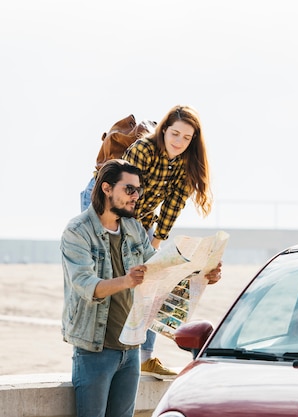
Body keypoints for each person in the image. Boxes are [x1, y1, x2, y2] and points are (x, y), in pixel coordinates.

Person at [62, 159, 222, 417]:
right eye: (129, 189)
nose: (136, 196)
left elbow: (160, 270)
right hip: (94, 350)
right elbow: (85, 286)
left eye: (138, 190)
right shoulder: (77, 231)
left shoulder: (134, 229)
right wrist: (127, 280)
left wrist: (202, 274)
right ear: (106, 188)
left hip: (130, 349)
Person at [80, 104, 214, 378]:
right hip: (104, 202)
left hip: (141, 217)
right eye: (175, 134)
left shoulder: (186, 164)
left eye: (186, 138)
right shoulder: (143, 150)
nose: (179, 142)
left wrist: (154, 246)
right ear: (164, 130)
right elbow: (125, 193)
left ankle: (144, 357)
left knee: (153, 277)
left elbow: (172, 207)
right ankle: (95, 348)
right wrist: (137, 245)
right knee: (111, 272)